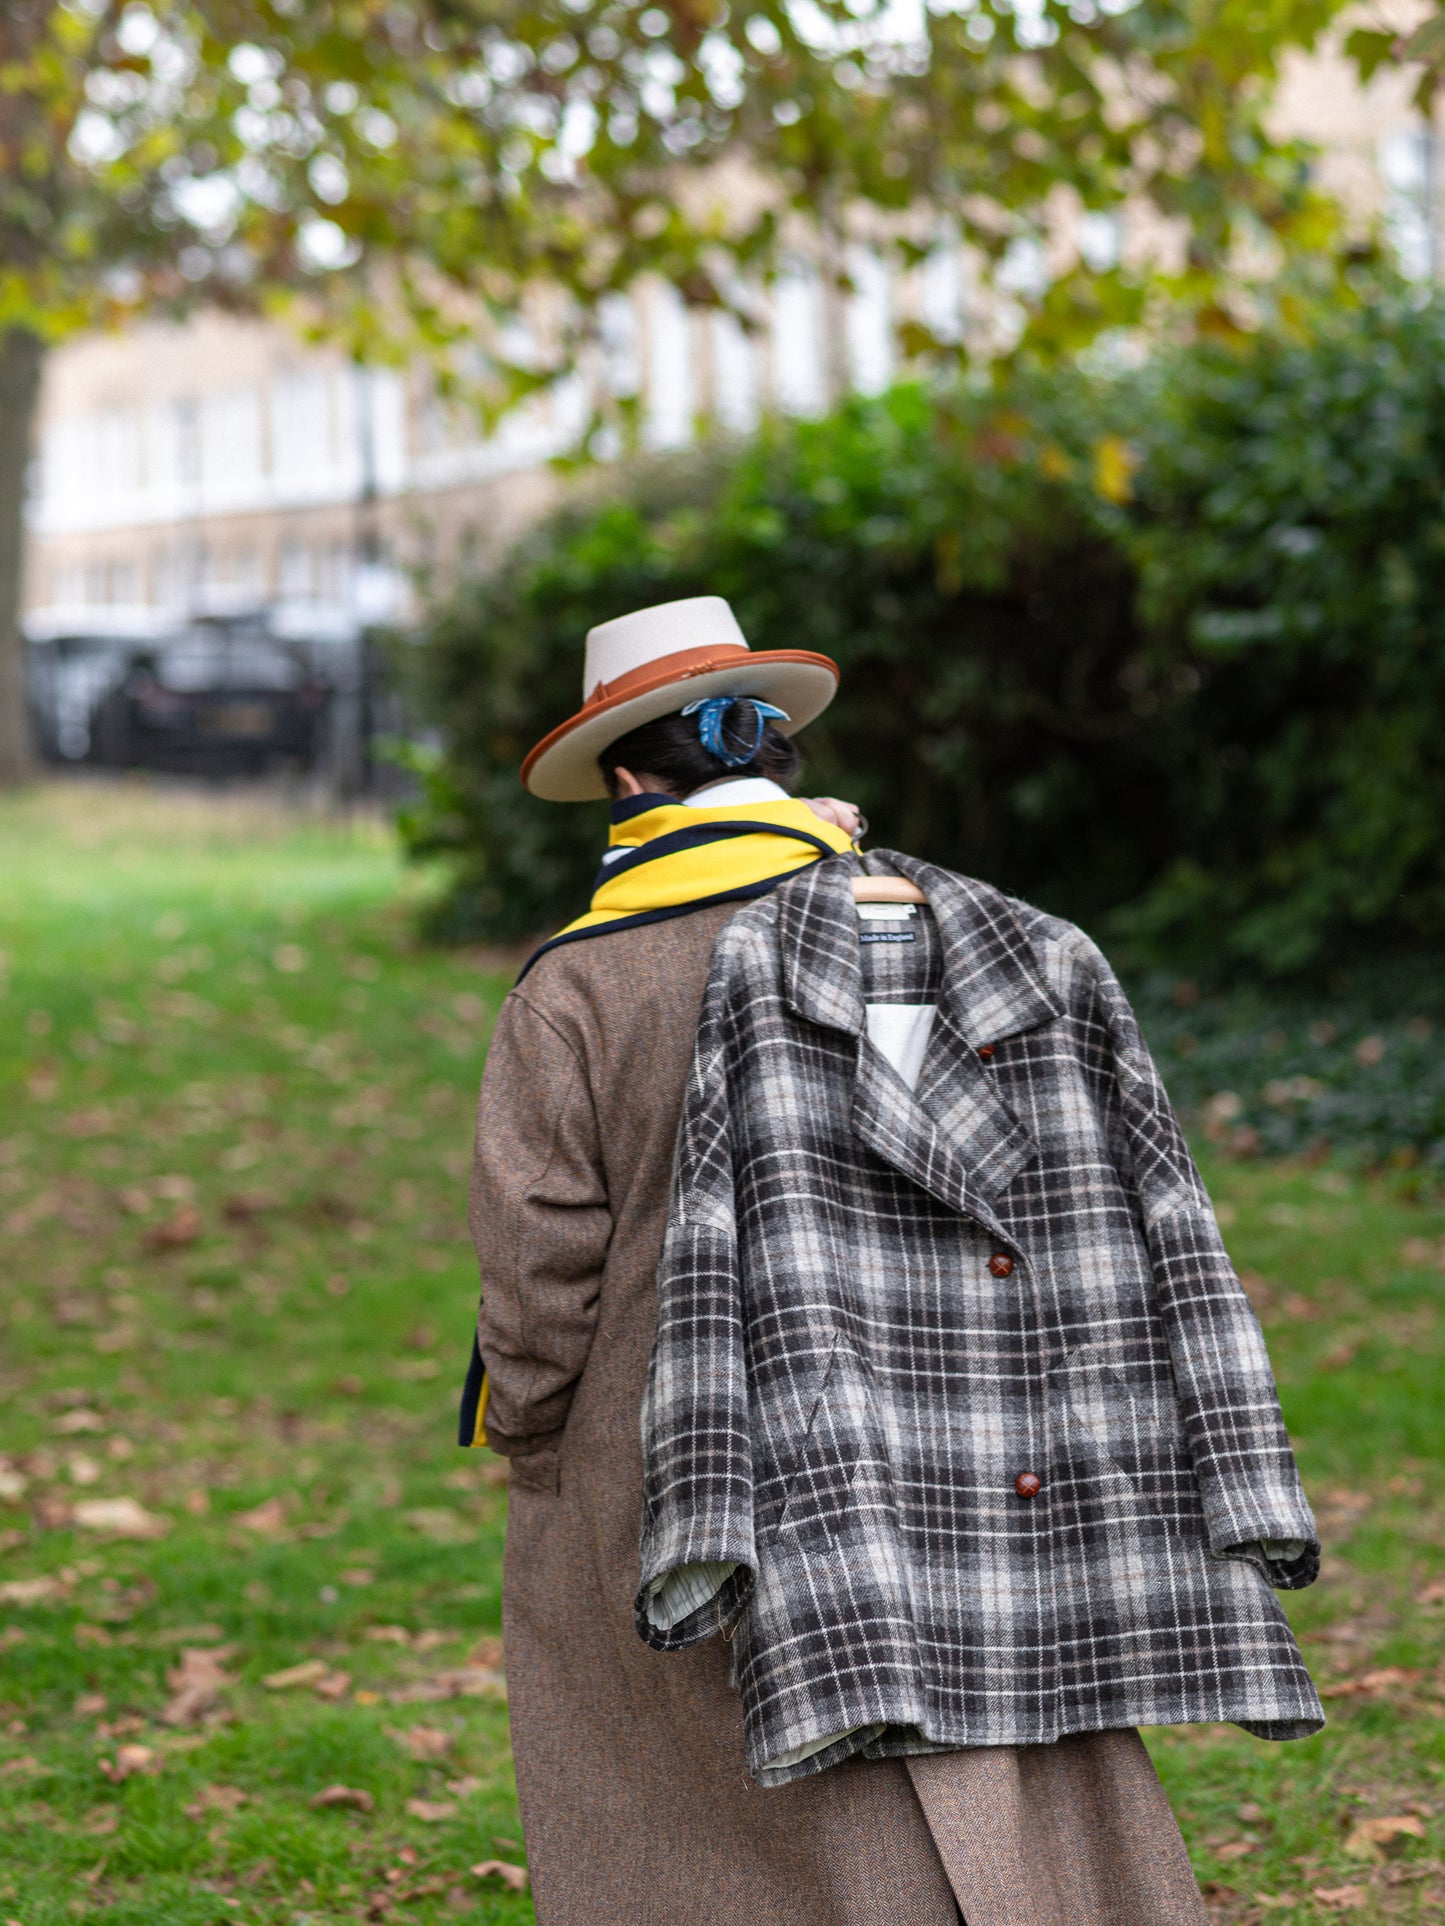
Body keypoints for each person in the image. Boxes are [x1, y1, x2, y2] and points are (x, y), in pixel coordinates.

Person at [461, 596, 1226, 1925]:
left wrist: (534, 1438)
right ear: (777, 756)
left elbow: (540, 1260)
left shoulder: (576, 986)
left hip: (676, 1428)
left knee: (698, 1774)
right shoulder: (958, 925)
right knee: (993, 1727)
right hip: (963, 1406)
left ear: (628, 783)